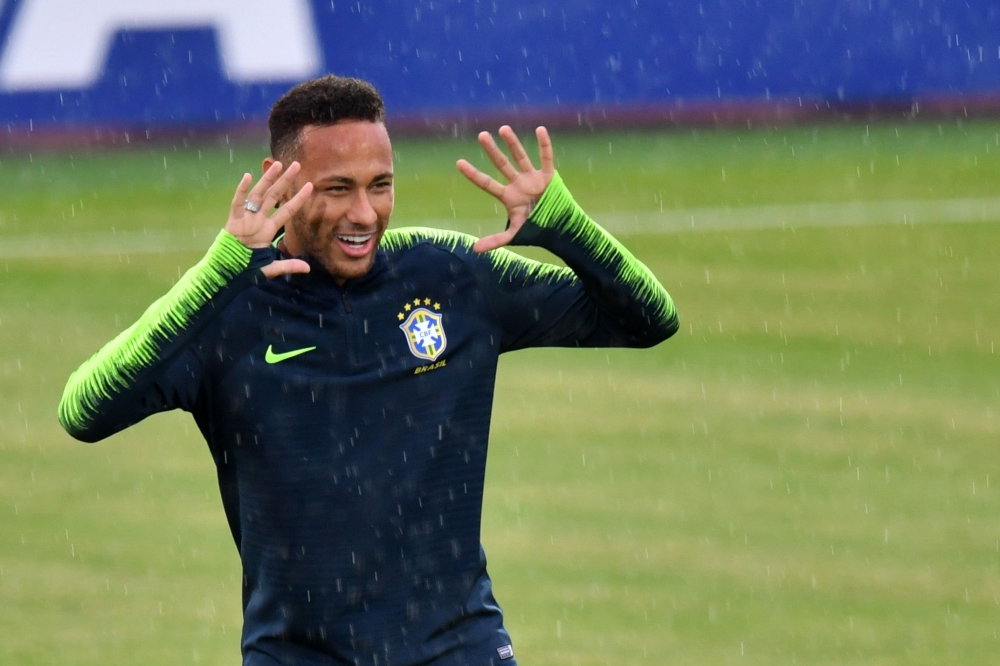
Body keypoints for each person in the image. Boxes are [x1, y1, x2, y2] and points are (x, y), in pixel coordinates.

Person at [58, 75, 679, 666]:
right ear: (282, 181)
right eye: (338, 189)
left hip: (459, 648)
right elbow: (83, 410)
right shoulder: (230, 307)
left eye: (380, 185)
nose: (364, 213)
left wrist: (564, 226)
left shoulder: (450, 274)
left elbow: (650, 319)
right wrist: (218, 273)